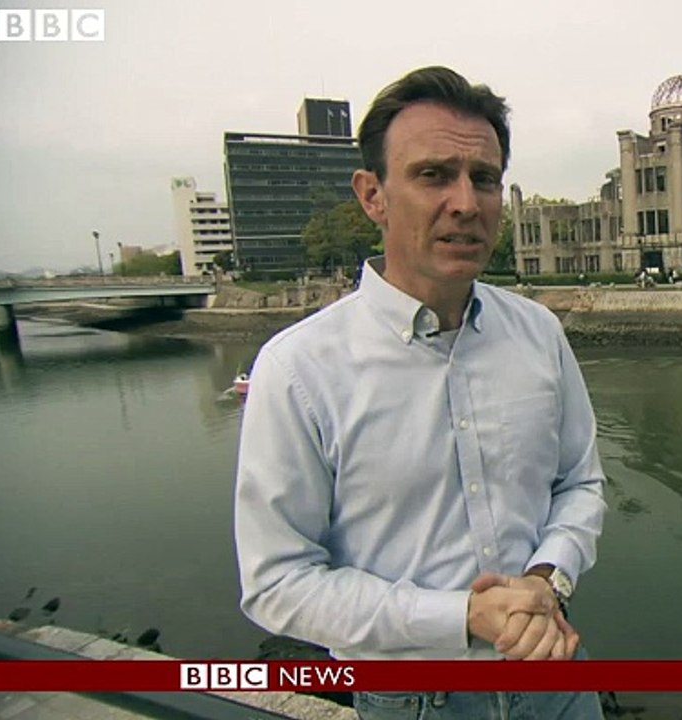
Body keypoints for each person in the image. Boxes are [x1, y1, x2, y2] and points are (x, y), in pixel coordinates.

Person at [234, 66, 607, 719]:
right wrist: (463, 615)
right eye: (433, 175)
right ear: (372, 195)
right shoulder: (298, 369)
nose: (465, 203)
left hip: (556, 678)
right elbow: (277, 583)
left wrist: (546, 577)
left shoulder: (539, 334)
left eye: (484, 179)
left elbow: (579, 482)